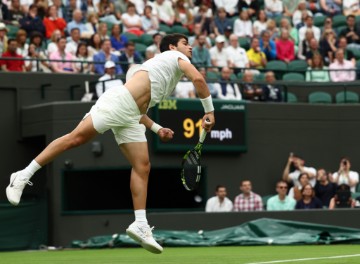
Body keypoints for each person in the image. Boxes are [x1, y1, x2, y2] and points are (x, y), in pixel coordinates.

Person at [5, 33, 215, 254]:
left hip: (132, 116)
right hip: (118, 103)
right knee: (76, 139)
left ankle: (140, 224)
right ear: (172, 47)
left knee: (142, 166)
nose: (190, 47)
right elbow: (199, 80)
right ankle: (23, 175)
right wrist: (209, 110)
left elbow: (141, 110)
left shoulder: (166, 76)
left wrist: (157, 128)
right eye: (185, 44)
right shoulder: (173, 57)